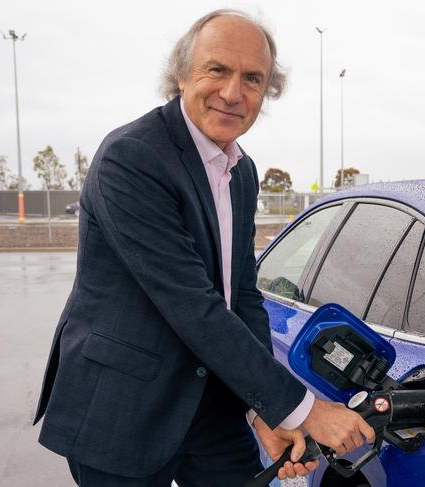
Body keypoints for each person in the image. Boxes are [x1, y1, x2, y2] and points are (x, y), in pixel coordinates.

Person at [33, 9, 375, 487]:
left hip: (209, 404)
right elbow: (192, 304)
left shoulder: (242, 171)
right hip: (122, 407)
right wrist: (303, 410)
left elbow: (243, 295)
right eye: (217, 69)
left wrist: (264, 411)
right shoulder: (132, 158)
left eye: (252, 79)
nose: (233, 93)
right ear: (181, 74)